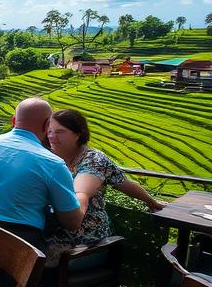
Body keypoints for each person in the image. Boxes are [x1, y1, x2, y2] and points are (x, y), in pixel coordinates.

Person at [46, 109, 164, 267]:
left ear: (78, 134)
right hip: (53, 232)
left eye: (60, 132)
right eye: (49, 131)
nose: (52, 137)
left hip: (84, 243)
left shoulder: (94, 159)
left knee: (22, 258)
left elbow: (120, 184)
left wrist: (151, 202)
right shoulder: (51, 158)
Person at [0, 97, 83, 252]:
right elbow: (72, 222)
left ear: (13, 121)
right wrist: (82, 196)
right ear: (47, 125)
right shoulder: (53, 163)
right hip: (16, 248)